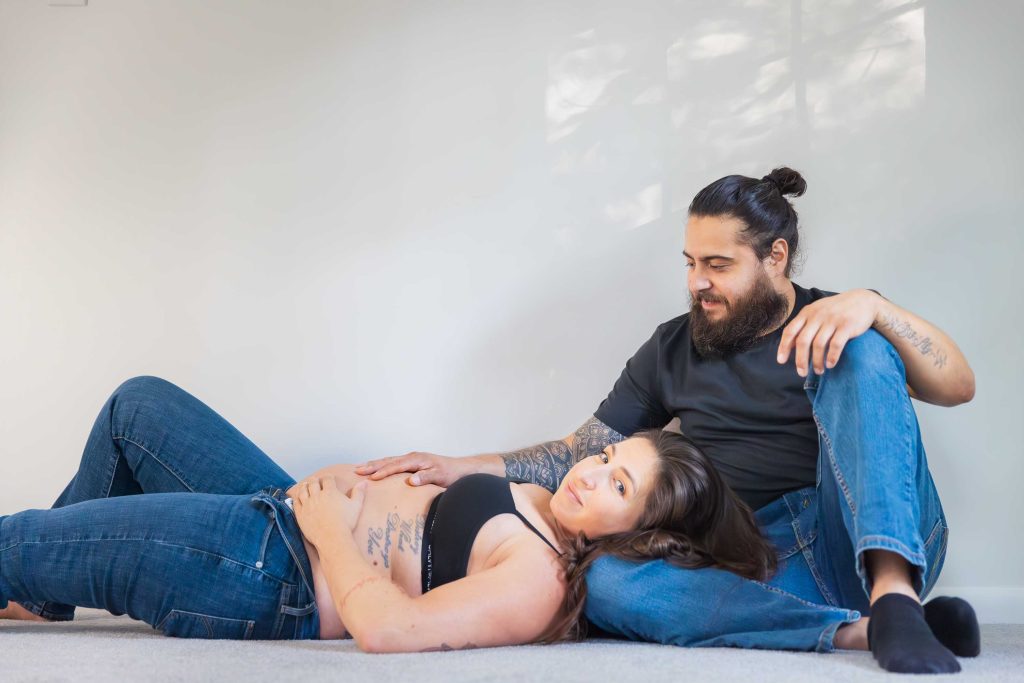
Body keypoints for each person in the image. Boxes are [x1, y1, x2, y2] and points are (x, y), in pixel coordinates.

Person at [356, 167, 981, 673]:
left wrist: (875, 307)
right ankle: (857, 632)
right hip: (757, 564)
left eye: (718, 265)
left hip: (859, 528)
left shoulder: (831, 316)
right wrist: (460, 465)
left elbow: (958, 387)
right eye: (690, 262)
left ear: (775, 257)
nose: (697, 282)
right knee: (602, 582)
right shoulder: (673, 347)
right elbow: (581, 448)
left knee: (862, 344)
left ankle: (895, 595)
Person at [0, 376, 780, 651]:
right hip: (282, 508)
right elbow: (462, 500)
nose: (594, 474)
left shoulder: (539, 581)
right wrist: (445, 468)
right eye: (609, 458)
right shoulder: (546, 504)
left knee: (20, 542)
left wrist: (329, 528)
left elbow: (392, 629)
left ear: (641, 533)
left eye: (619, 486)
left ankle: (32, 579)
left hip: (271, 570)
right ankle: (42, 599)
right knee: (137, 407)